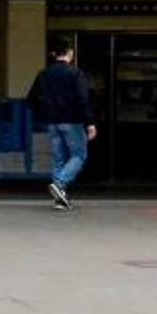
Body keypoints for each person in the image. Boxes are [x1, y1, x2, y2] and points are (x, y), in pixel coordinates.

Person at [26, 37, 96, 210]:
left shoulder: (43, 74)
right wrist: (90, 122)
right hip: (72, 121)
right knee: (79, 154)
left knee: (59, 158)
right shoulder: (75, 73)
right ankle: (61, 183)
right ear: (69, 53)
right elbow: (82, 99)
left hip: (52, 121)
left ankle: (60, 199)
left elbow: (31, 99)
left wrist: (45, 111)